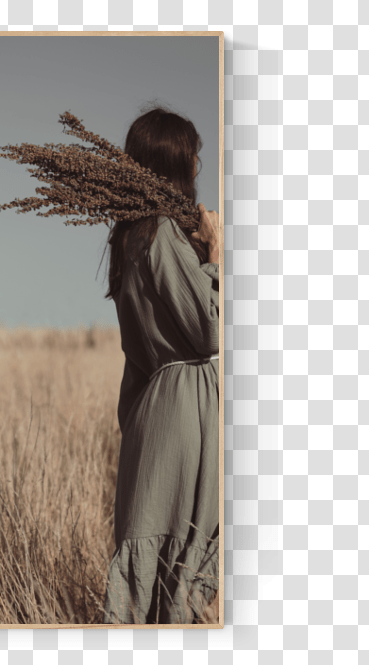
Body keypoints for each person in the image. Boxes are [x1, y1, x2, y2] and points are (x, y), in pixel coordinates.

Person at [102, 106, 221, 624]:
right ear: (175, 164)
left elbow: (133, 364)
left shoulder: (130, 241)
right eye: (194, 157)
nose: (199, 168)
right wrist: (216, 254)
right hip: (186, 413)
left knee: (153, 590)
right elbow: (211, 327)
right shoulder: (163, 235)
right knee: (189, 574)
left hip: (153, 414)